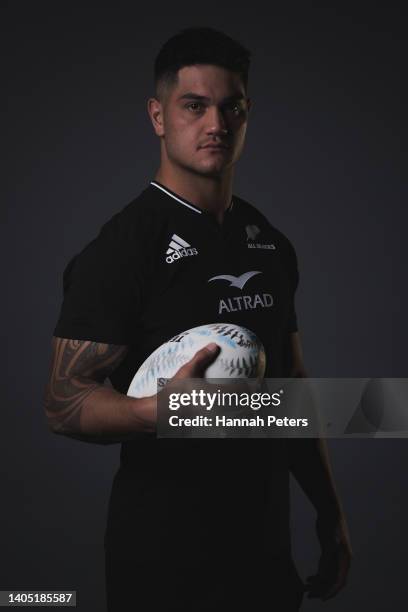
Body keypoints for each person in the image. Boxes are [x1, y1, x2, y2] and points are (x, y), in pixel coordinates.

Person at [44, 27, 352, 611]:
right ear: (158, 116)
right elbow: (62, 402)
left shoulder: (269, 243)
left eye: (230, 106)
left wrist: (329, 513)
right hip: (164, 557)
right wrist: (150, 413)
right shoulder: (121, 250)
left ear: (246, 113)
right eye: (194, 106)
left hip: (263, 551)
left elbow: (291, 391)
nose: (216, 124)